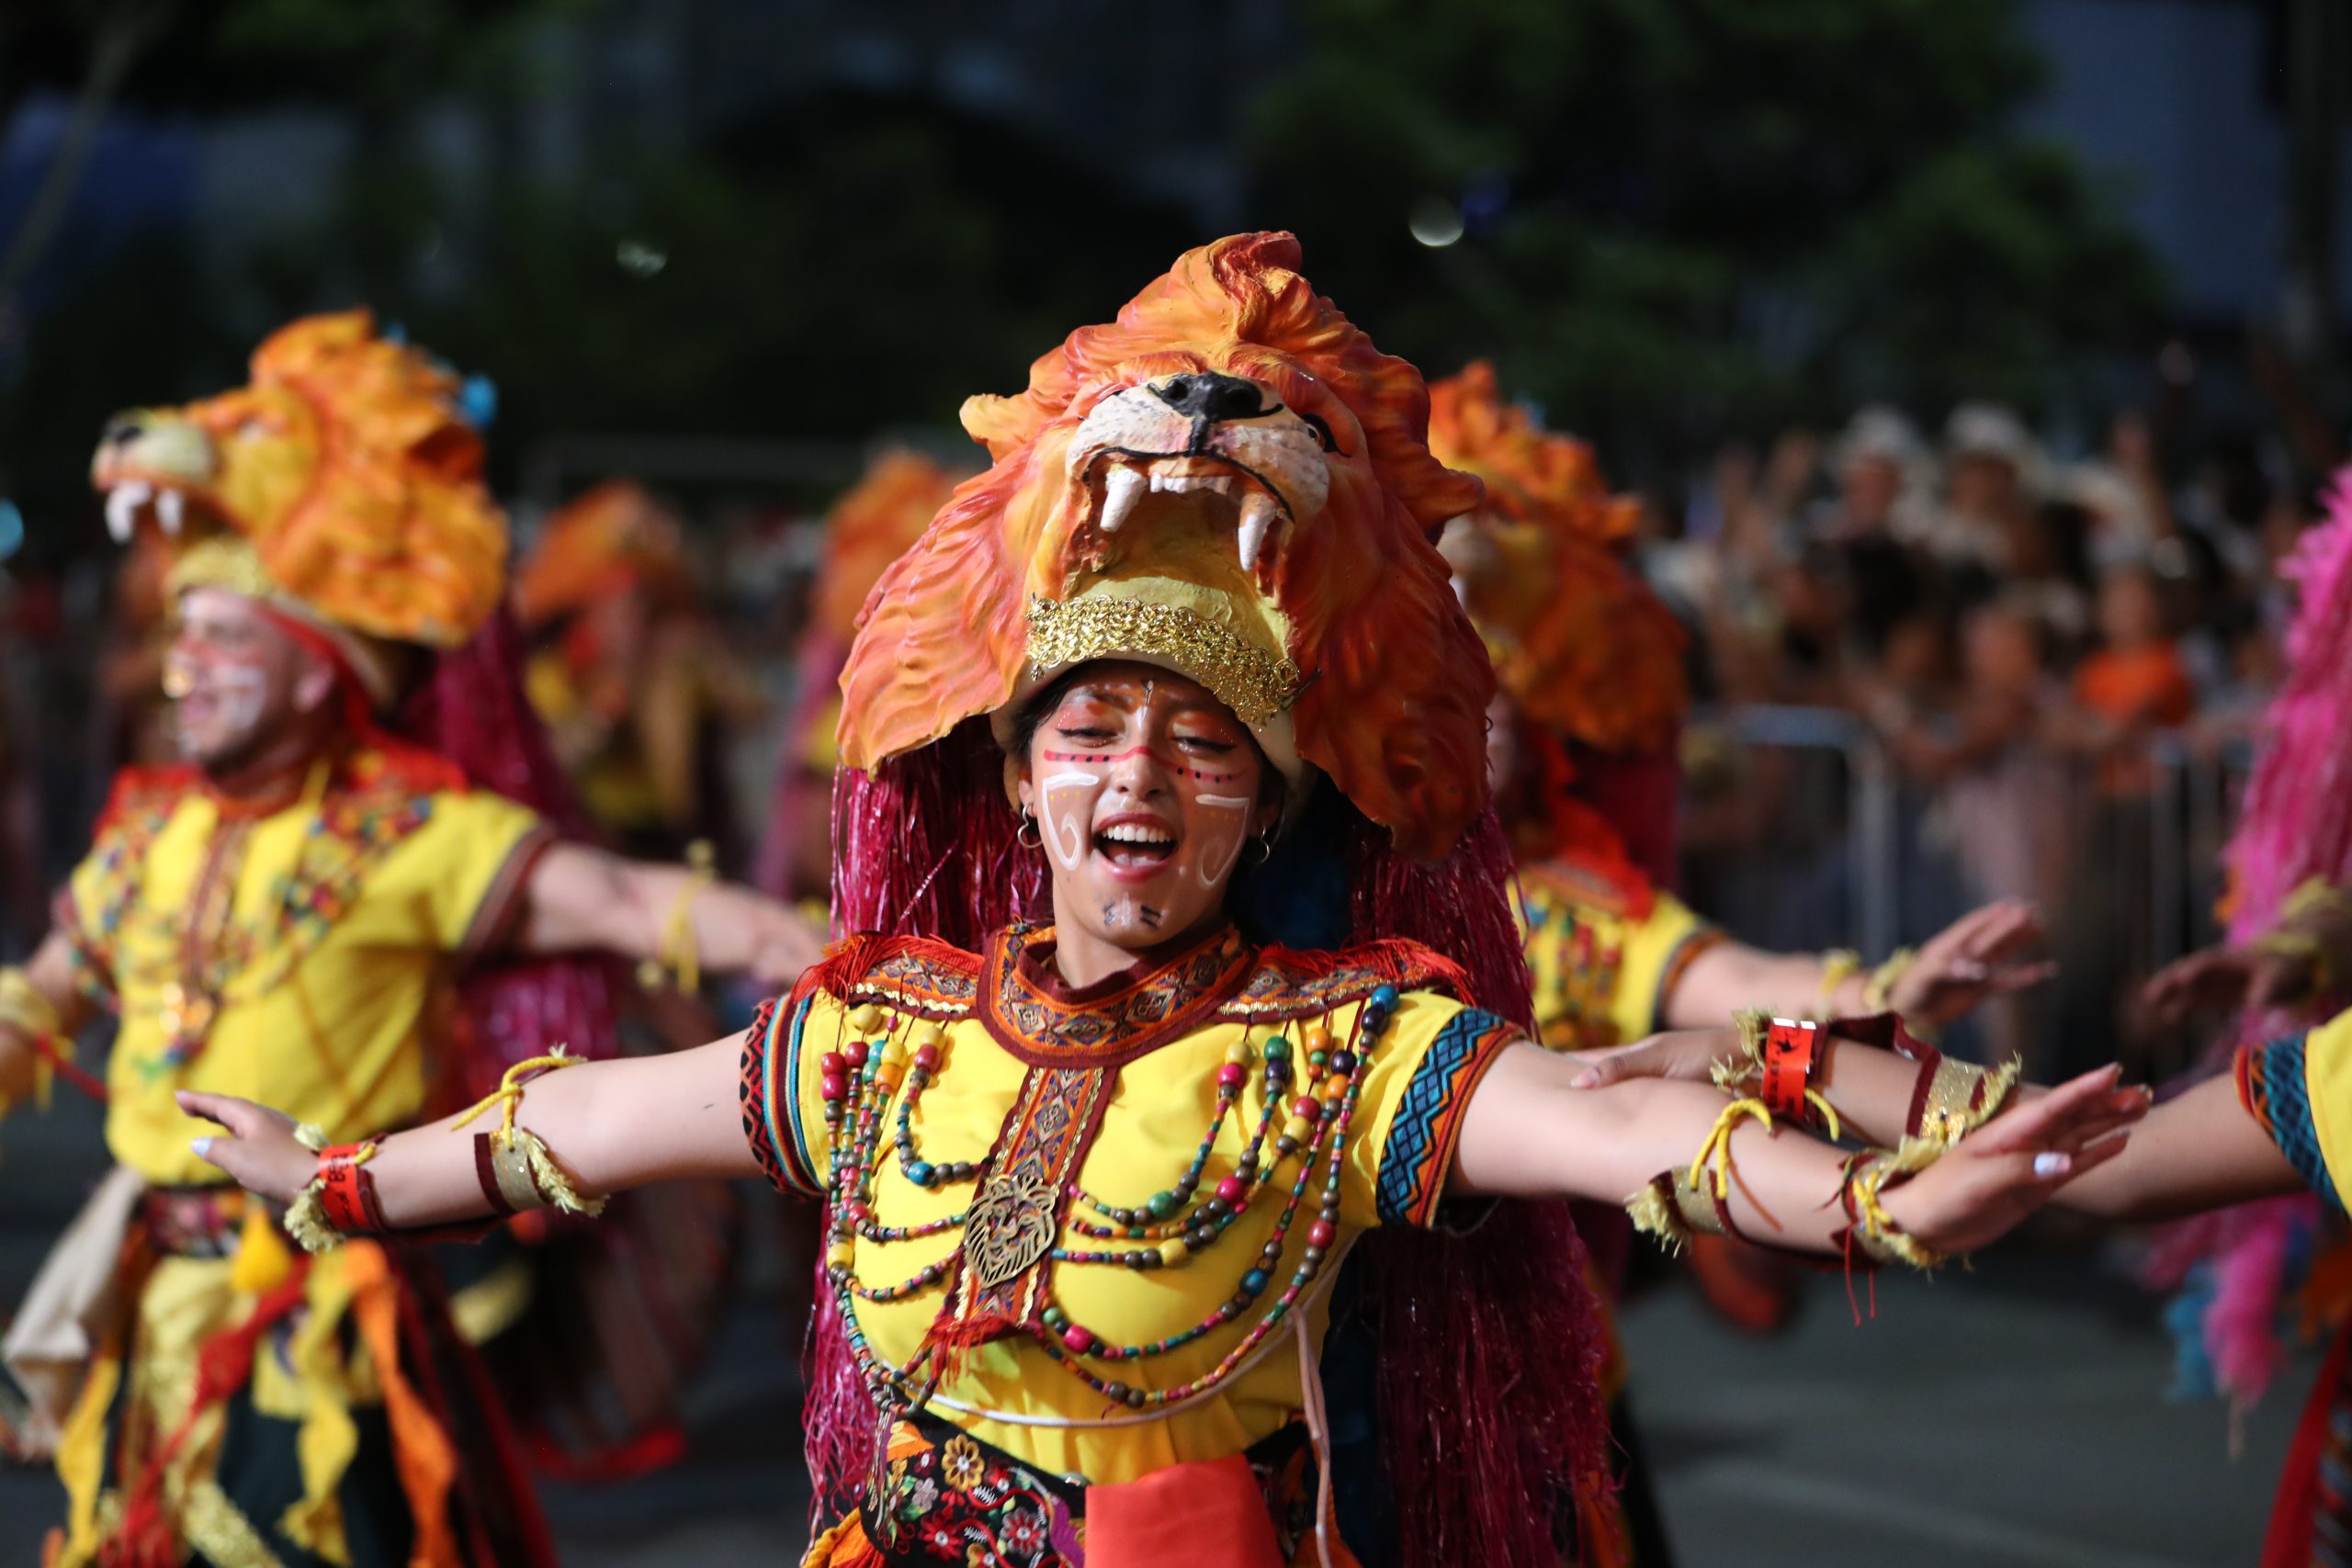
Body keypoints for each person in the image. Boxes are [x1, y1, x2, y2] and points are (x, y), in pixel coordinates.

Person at [178, 235, 2139, 1567]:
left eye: (1202, 746)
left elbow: (1618, 1115)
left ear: (1266, 800)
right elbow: (583, 1122)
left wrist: (1874, 1196)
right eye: (1092, 731)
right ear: (1015, 772)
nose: (1136, 776)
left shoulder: (1337, 1052)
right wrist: (334, 1179)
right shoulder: (876, 1037)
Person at [0, 311, 820, 1567]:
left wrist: (808, 939)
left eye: (227, 638)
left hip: (326, 1316)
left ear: (320, 670)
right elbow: (49, 992)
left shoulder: (415, 831)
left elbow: (617, 901)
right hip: (152, 1309)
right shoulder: (144, 829)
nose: (188, 667)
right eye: (186, 636)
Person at [515, 479, 768, 862]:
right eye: (620, 607)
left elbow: (753, 713)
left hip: (672, 842)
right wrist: (603, 711)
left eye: (645, 608)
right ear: (591, 611)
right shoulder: (555, 673)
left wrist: (710, 650)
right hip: (589, 840)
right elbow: (547, 761)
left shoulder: (675, 668)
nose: (634, 621)